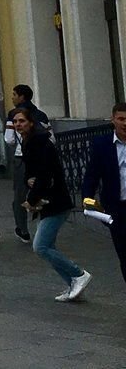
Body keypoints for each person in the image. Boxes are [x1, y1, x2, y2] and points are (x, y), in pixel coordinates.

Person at [16, 109, 91, 301]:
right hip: (49, 200)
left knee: (40, 246)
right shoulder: (29, 142)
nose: (18, 124)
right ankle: (73, 285)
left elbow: (44, 173)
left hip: (55, 200)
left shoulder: (38, 143)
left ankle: (79, 274)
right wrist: (29, 183)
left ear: (31, 123)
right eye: (15, 121)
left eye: (22, 121)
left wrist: (32, 200)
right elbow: (30, 174)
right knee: (49, 246)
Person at [80, 101, 126, 285]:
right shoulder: (102, 145)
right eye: (121, 119)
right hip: (117, 210)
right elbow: (92, 175)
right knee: (124, 255)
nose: (125, 123)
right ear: (113, 120)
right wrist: (88, 200)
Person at [5, 83, 53, 244]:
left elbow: (9, 139)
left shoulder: (14, 114)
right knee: (42, 192)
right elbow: (52, 138)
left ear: (21, 96)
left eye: (14, 94)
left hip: (21, 158)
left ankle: (23, 230)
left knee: (20, 195)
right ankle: (44, 228)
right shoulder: (41, 114)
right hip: (42, 159)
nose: (12, 98)